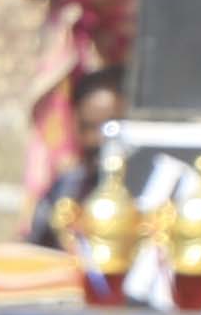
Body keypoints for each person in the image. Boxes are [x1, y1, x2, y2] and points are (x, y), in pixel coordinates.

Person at [27, 59, 129, 245]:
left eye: (110, 128)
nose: (98, 140)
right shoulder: (67, 189)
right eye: (87, 127)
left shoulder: (153, 193)